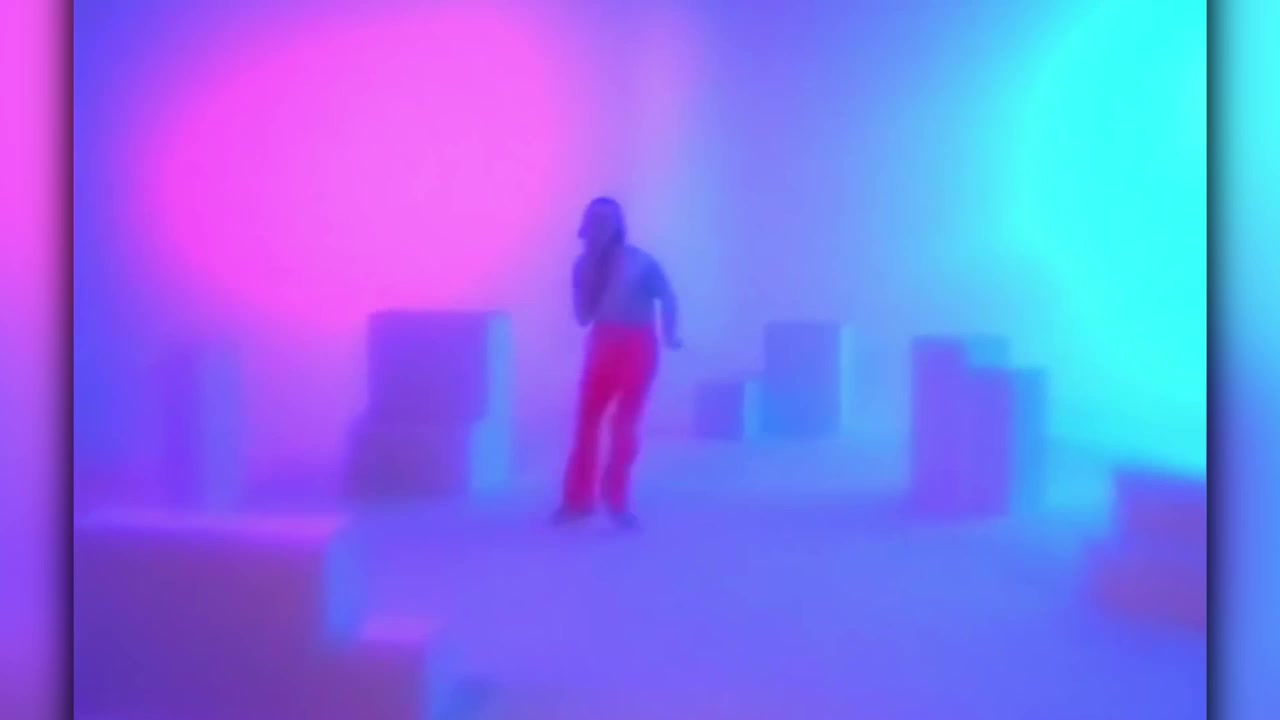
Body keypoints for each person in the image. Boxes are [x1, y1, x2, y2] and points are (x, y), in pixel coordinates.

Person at [554, 196, 681, 528]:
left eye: (608, 219)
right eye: (595, 219)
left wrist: (670, 332)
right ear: (585, 224)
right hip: (603, 343)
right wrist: (590, 277)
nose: (601, 226)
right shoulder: (582, 266)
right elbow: (583, 317)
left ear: (618, 226)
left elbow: (667, 295)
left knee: (624, 424)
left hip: (637, 346)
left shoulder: (638, 261)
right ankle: (578, 501)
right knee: (586, 422)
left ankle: (617, 500)